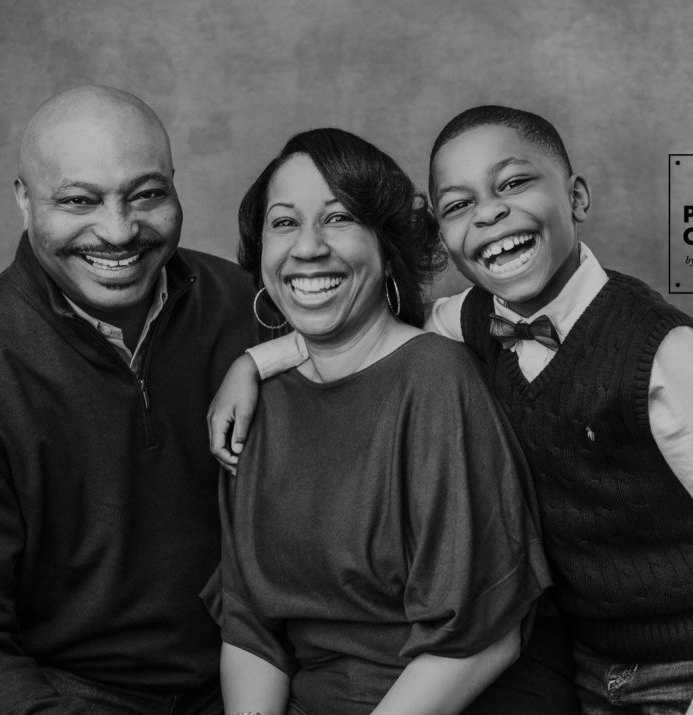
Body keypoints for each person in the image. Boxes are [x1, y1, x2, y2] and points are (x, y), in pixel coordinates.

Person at [209, 106, 693, 715]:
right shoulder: (471, 320)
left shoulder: (659, 353)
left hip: (688, 663)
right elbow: (366, 329)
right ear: (439, 233)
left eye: (514, 183)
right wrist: (255, 364)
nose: (490, 212)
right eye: (458, 204)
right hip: (587, 661)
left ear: (576, 197)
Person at [0, 85, 265, 714]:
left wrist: (267, 354)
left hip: (255, 678)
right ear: (23, 200)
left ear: (174, 185)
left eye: (146, 195)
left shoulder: (245, 304)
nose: (118, 232)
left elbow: (376, 337)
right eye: (78, 201)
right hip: (70, 697)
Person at [204, 127, 560, 715]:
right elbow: (250, 630)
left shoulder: (435, 380)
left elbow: (484, 637)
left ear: (385, 246)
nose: (308, 247)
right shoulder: (254, 406)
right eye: (285, 222)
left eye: (339, 219)